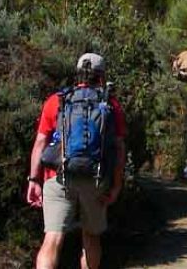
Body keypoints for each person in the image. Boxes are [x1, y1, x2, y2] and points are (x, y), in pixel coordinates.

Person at [26, 53, 128, 269]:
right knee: (91, 237)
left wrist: (33, 180)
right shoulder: (110, 105)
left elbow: (40, 143)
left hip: (57, 177)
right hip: (96, 178)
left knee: (52, 238)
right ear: (101, 77)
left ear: (78, 74)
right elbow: (119, 150)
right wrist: (117, 184)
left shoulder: (57, 101)